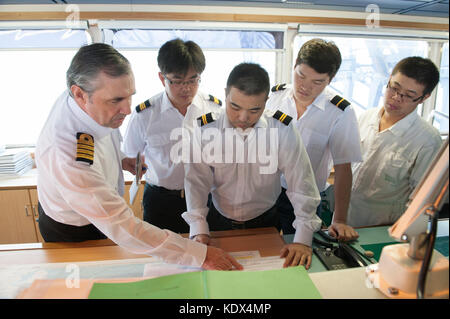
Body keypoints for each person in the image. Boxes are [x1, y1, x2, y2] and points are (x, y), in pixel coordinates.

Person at [35, 43, 242, 271]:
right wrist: (200, 255)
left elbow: (104, 142)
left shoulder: (89, 101)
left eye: (129, 97)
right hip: (74, 228)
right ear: (79, 94)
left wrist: (122, 159)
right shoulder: (67, 153)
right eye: (116, 101)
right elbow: (121, 225)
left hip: (110, 209)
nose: (126, 109)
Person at [182, 63, 322, 269]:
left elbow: (302, 184)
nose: (243, 118)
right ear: (226, 94)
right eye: (235, 107)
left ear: (266, 102)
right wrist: (199, 228)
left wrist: (302, 239)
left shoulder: (282, 129)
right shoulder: (205, 128)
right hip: (218, 220)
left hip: (265, 222)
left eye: (254, 110)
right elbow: (196, 182)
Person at [122, 39, 222, 233]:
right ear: (162, 78)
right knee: (161, 258)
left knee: (207, 252)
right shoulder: (145, 115)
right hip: (161, 201)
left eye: (193, 80)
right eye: (177, 81)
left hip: (205, 198)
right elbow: (131, 157)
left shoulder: (215, 109)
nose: (186, 88)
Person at [266, 38, 362, 241]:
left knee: (300, 252)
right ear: (294, 66)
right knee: (263, 246)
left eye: (317, 82)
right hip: (267, 190)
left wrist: (340, 219)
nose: (304, 87)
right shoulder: (274, 96)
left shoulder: (340, 112)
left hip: (306, 197)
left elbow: (343, 168)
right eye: (300, 76)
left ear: (330, 79)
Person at [347, 56, 442, 227]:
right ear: (389, 79)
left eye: (408, 95)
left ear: (423, 98)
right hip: (343, 220)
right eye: (394, 88)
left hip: (382, 230)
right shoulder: (366, 117)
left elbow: (422, 203)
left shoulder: (427, 140)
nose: (397, 98)